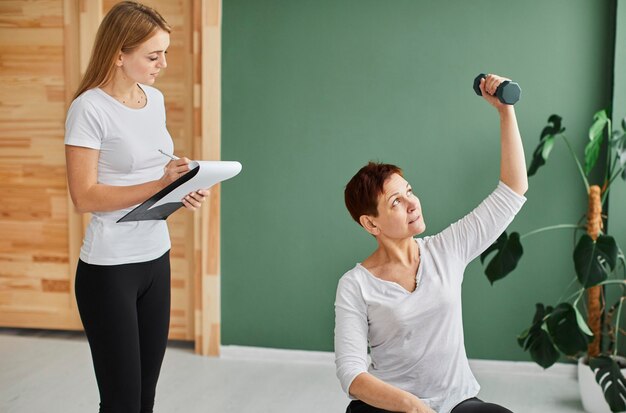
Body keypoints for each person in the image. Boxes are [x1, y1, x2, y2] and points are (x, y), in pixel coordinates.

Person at [335, 74, 528, 413]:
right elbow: (352, 374)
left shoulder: (446, 249)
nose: (412, 204)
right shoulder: (355, 285)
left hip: (458, 402)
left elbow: (513, 190)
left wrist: (504, 111)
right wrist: (412, 407)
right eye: (396, 202)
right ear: (370, 223)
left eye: (409, 192)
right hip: (393, 406)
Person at [64, 2, 207, 412]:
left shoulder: (154, 99)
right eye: (153, 55)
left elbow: (153, 170)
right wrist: (159, 184)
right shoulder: (89, 109)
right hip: (110, 269)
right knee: (121, 402)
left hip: (154, 258)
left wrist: (182, 185)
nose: (162, 63)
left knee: (145, 398)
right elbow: (85, 196)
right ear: (118, 54)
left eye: (165, 52)